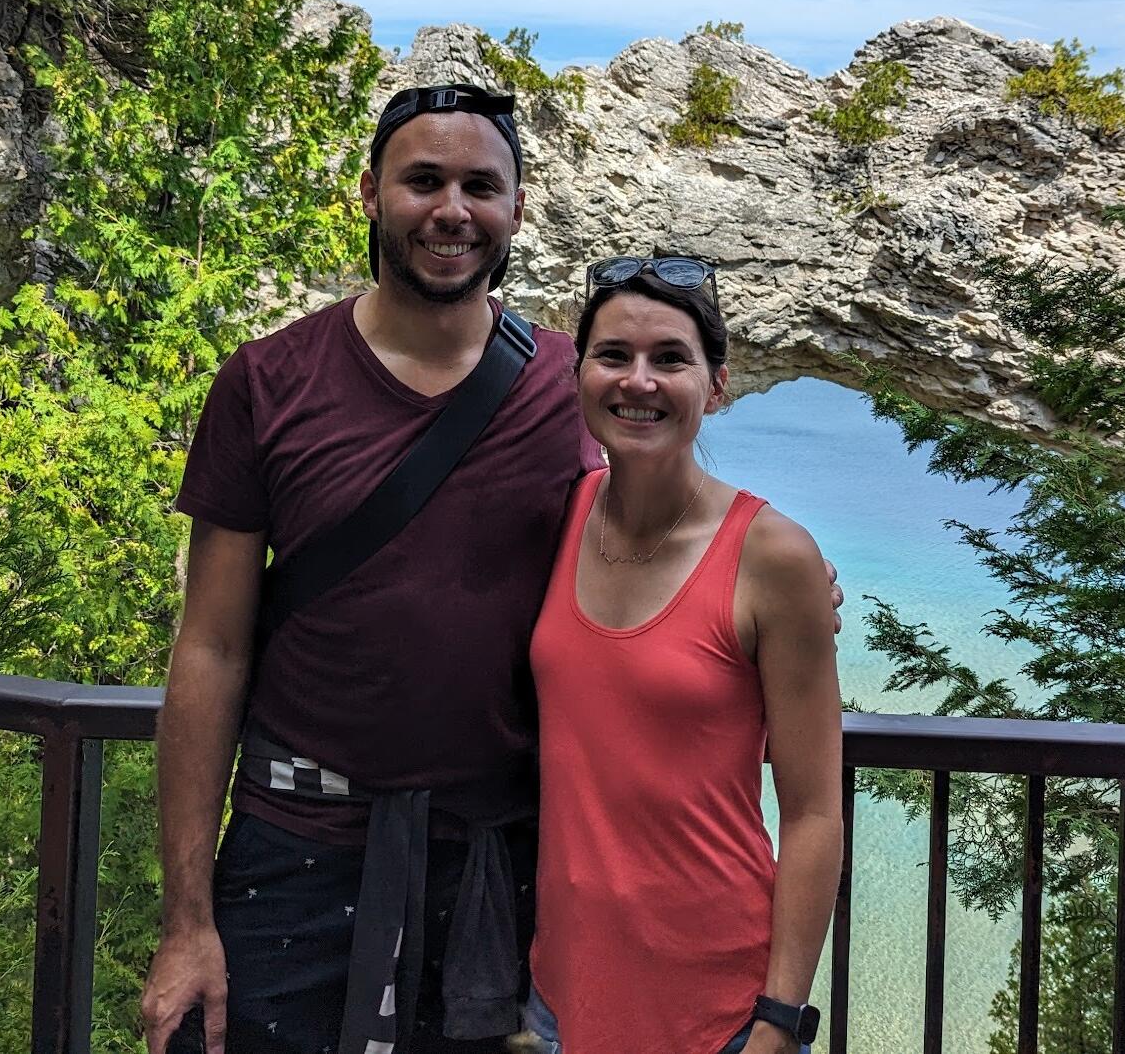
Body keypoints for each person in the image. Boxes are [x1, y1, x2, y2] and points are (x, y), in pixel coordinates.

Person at [141, 85, 844, 1054]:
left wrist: (790, 584)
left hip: (495, 869)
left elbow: (655, 531)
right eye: (422, 180)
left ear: (516, 207)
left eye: (481, 185)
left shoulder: (571, 387)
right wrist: (187, 923)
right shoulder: (266, 383)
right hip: (293, 846)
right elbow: (211, 649)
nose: (451, 211)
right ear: (369, 193)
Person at [524, 256, 842, 1054]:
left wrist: (778, 1020)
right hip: (556, 999)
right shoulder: (553, 516)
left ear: (717, 385)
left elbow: (811, 813)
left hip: (719, 1012)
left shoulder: (773, 557)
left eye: (670, 358)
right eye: (613, 356)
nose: (640, 381)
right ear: (578, 376)